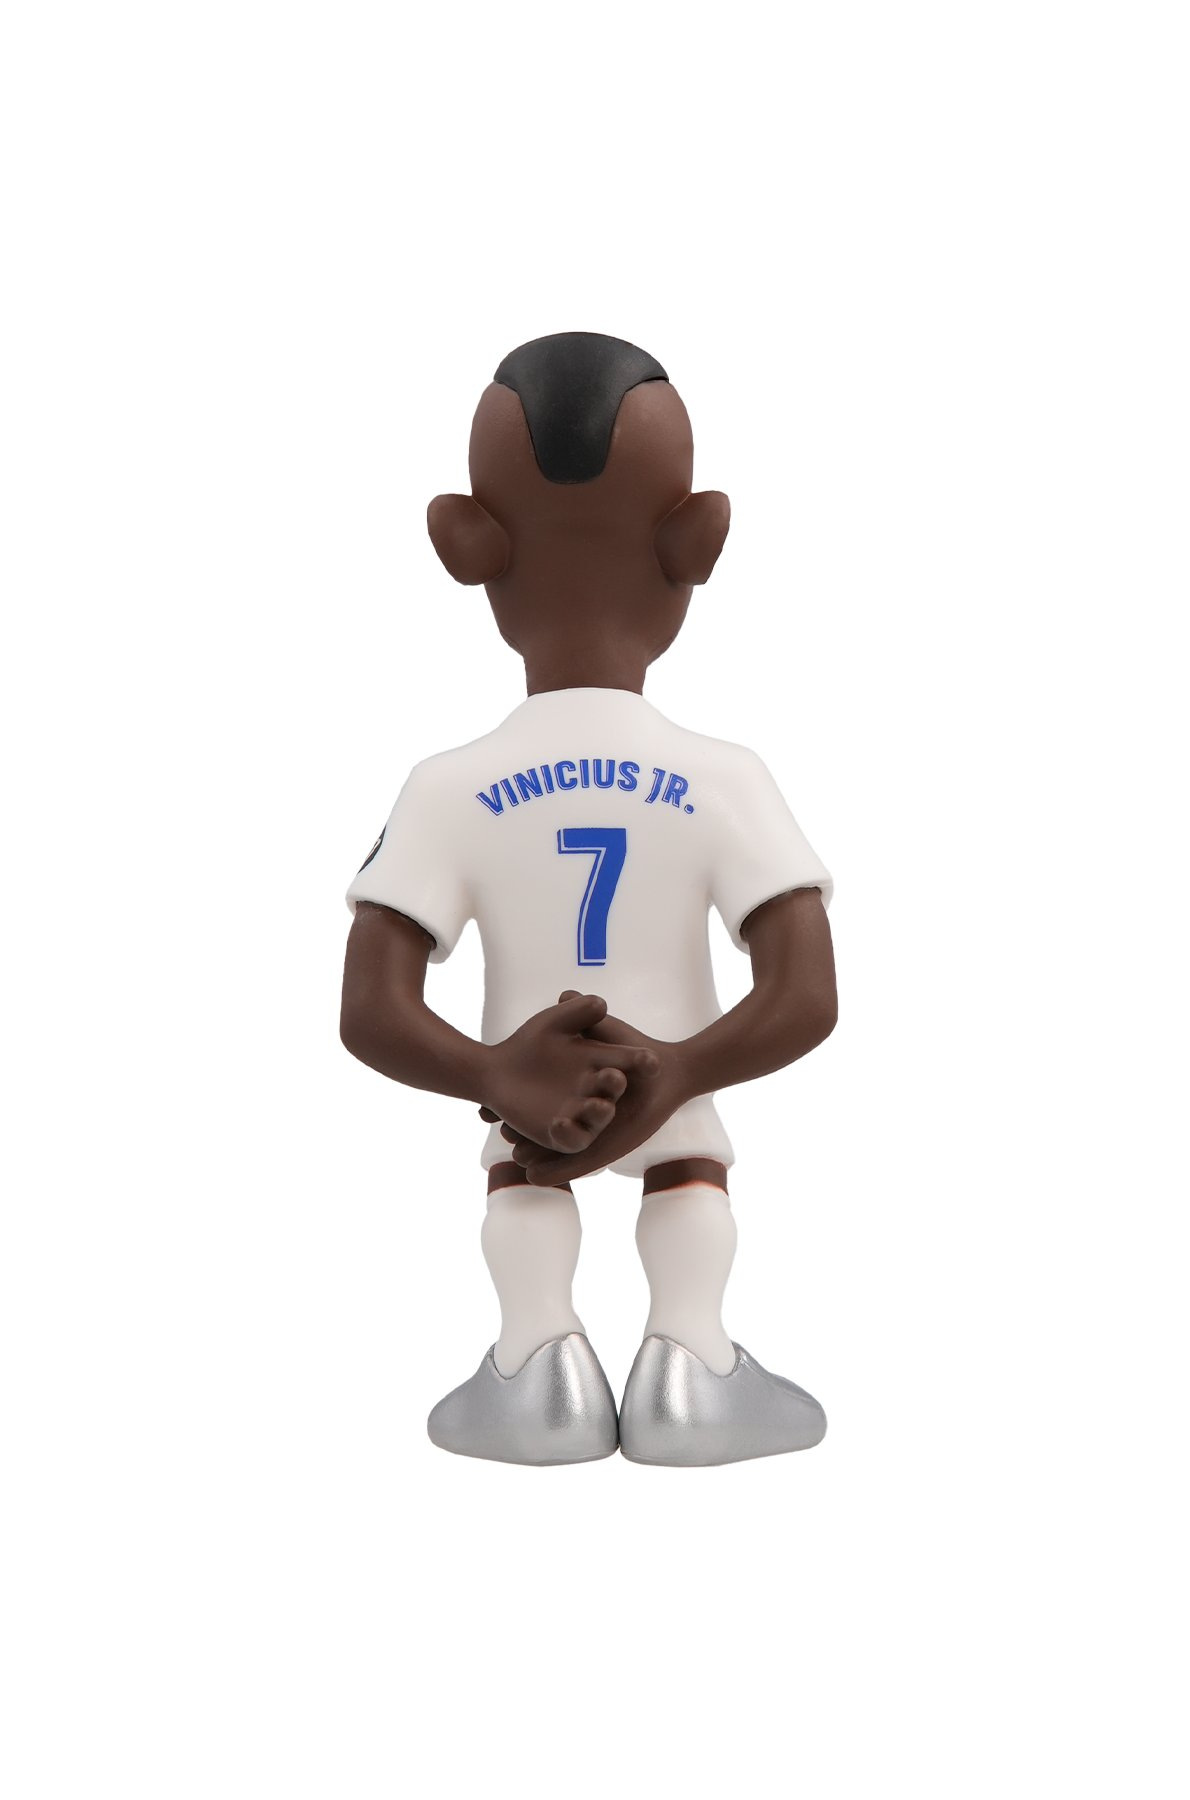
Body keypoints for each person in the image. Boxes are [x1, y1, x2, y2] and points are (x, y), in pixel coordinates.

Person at [340, 333, 837, 1466]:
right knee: (688, 1173)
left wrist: (493, 1073)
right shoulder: (726, 778)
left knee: (523, 1178)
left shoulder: (445, 787)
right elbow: (807, 993)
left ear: (467, 542)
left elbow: (369, 1010)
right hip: (682, 1080)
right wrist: (682, 1069)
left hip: (526, 1098)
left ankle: (535, 1366)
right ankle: (691, 1362)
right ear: (696, 540)